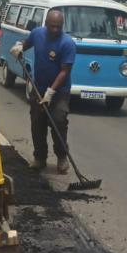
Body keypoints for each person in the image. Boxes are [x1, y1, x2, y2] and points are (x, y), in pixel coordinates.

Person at [9, 10, 76, 174]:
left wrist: (51, 92)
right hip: (38, 87)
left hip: (59, 92)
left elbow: (65, 71)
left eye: (58, 27)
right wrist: (19, 48)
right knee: (37, 123)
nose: (55, 30)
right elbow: (26, 44)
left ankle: (62, 157)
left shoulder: (67, 43)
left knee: (59, 121)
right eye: (52, 26)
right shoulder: (37, 34)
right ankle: (40, 158)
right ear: (46, 24)